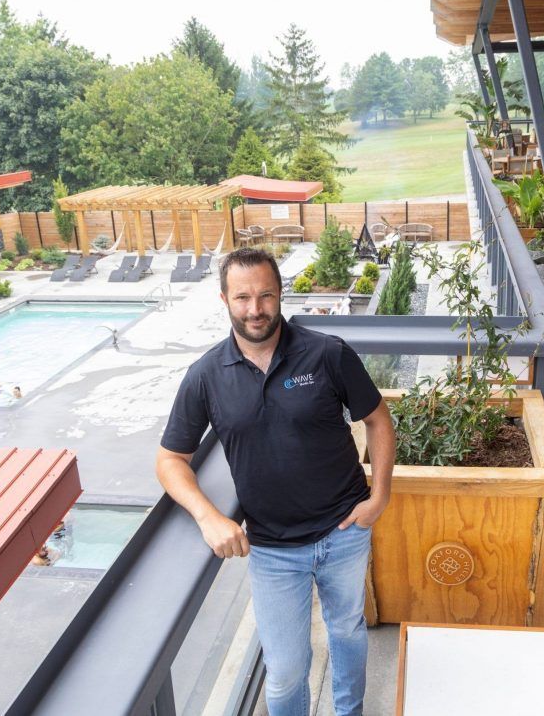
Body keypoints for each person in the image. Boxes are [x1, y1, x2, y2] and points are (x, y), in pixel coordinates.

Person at [156, 248, 395, 716]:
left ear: (281, 294)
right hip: (271, 548)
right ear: (224, 299)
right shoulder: (206, 375)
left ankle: (350, 711)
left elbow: (378, 420)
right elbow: (170, 460)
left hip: (345, 529)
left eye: (266, 295)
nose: (255, 309)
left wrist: (380, 496)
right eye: (242, 297)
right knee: (285, 672)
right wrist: (208, 517)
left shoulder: (326, 352)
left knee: (347, 629)